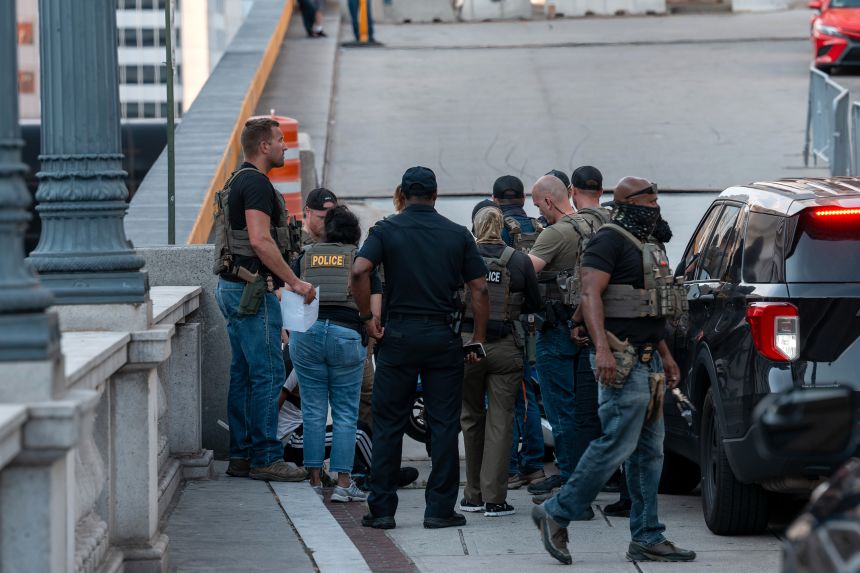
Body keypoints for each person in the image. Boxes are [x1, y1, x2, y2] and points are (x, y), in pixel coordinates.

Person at [533, 177, 695, 565]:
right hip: (620, 360)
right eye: (650, 202)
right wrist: (602, 350)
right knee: (616, 445)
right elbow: (590, 294)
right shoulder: (608, 240)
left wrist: (666, 355)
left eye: (656, 201)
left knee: (649, 454)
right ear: (629, 204)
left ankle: (647, 536)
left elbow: (648, 308)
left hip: (648, 361)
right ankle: (556, 512)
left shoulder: (645, 244)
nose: (656, 208)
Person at [352, 166, 490, 530]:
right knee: (443, 424)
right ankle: (440, 509)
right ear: (434, 194)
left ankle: (382, 510)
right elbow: (479, 288)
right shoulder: (457, 234)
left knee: (388, 424)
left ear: (403, 194)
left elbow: (359, 270)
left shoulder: (386, 230)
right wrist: (477, 336)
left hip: (397, 336)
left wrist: (367, 317)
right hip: (443, 338)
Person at [214, 117, 315, 482]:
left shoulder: (237, 179)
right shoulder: (256, 183)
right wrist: (295, 282)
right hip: (253, 291)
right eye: (279, 140)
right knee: (269, 373)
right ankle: (266, 457)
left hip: (233, 286)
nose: (285, 146)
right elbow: (260, 239)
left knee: (243, 373)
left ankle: (241, 455)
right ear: (263, 146)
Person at [289, 205, 378, 502]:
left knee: (313, 411)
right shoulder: (359, 259)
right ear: (354, 233)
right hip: (346, 335)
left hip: (307, 335)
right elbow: (374, 309)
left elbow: (289, 292)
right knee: (345, 413)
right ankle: (343, 484)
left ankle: (315, 481)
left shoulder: (305, 257)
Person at [459, 205, 542, 518]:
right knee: (501, 420)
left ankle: (472, 495)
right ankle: (495, 499)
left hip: (468, 344)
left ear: (475, 227)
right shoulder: (518, 260)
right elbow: (534, 303)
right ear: (503, 229)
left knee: (470, 417)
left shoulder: (462, 257)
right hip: (506, 345)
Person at [524, 175, 593, 513]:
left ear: (549, 201)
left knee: (560, 411)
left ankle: (572, 489)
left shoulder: (554, 234)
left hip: (557, 330)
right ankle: (584, 485)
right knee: (585, 413)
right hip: (590, 328)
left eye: (538, 204)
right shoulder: (594, 224)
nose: (538, 210)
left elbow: (525, 272)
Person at [485, 176, 547, 490]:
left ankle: (517, 467)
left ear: (494, 200)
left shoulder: (500, 231)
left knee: (508, 401)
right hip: (535, 323)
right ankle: (531, 464)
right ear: (523, 198)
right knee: (527, 395)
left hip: (505, 326)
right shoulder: (539, 227)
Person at [276, 369, 420, 489]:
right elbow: (274, 406)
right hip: (291, 440)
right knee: (358, 433)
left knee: (355, 428)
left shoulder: (306, 359)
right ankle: (385, 477)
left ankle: (373, 475)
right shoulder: (296, 363)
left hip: (299, 433)